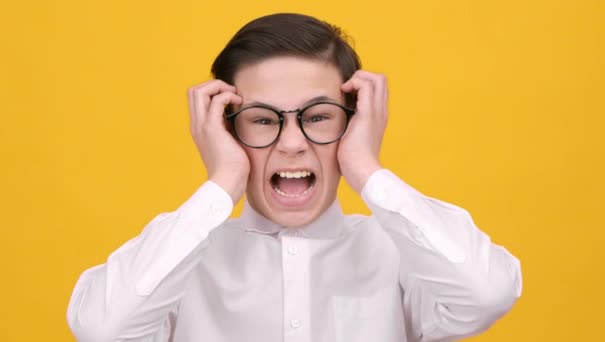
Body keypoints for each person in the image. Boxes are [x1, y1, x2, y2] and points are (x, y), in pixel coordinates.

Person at [67, 13, 522, 342]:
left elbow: (487, 294)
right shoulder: (182, 258)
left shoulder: (400, 254)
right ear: (227, 128)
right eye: (263, 120)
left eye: (318, 117)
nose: (291, 143)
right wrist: (223, 179)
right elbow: (102, 329)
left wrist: (366, 167)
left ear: (353, 121)